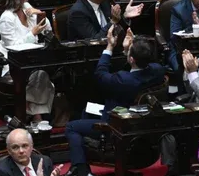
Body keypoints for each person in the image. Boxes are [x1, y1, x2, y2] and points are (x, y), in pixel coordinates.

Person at [65, 30, 164, 176]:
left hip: (116, 124)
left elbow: (100, 74)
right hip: (136, 122)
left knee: (71, 126)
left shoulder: (124, 80)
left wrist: (110, 47)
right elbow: (135, 69)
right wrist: (127, 50)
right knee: (87, 110)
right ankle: (80, 163)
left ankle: (81, 170)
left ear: (131, 59)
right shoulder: (157, 70)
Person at [0, 0, 55, 119]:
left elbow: (47, 30)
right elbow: (13, 47)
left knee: (44, 72)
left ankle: (30, 108)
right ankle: (36, 115)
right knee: (39, 74)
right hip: (13, 62)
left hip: (33, 58)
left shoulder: (26, 6)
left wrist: (40, 14)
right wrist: (32, 33)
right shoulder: (6, 18)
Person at [66, 0, 142, 40]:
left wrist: (125, 15)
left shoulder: (103, 1)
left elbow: (113, 26)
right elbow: (95, 40)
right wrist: (113, 21)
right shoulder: (78, 13)